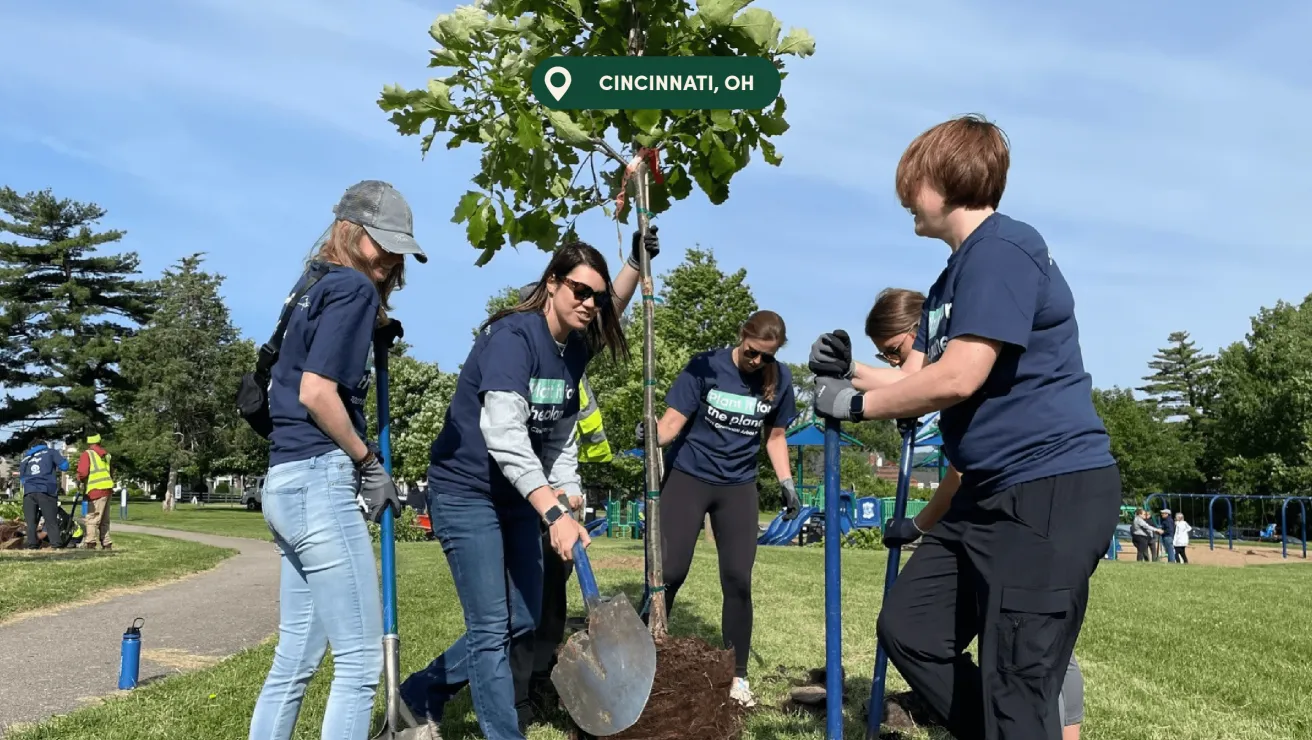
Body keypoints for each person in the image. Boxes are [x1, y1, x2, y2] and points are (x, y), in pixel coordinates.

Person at [808, 114, 1121, 739]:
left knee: (1018, 681)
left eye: (911, 182)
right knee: (912, 631)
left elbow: (959, 377)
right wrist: (850, 376)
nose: (904, 198)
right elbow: (917, 384)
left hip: (1048, 487)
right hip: (985, 492)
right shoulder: (950, 278)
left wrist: (856, 407)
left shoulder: (1004, 248)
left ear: (942, 179)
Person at [401, 234, 651, 740]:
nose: (589, 304)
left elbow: (559, 434)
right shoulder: (513, 338)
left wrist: (566, 491)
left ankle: (422, 690)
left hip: (516, 497)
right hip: (466, 491)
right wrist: (552, 514)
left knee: (522, 620)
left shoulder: (572, 352)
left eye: (596, 298)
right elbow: (505, 435)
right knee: (493, 629)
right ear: (553, 283)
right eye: (579, 291)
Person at [854, 287, 1087, 739]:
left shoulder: (971, 358)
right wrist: (849, 371)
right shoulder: (941, 361)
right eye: (885, 357)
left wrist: (917, 525)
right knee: (995, 637)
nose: (894, 365)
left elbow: (958, 470)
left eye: (894, 351)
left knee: (1028, 642)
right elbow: (912, 386)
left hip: (1033, 494)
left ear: (920, 331)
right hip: (984, 506)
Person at [247, 179, 423, 740]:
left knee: (294, 660)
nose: (392, 257)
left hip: (283, 482)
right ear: (350, 231)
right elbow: (317, 391)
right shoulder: (353, 289)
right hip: (321, 480)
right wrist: (369, 462)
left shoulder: (312, 282)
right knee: (360, 666)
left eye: (399, 247)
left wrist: (371, 329)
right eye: (382, 243)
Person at [639, 309, 801, 707]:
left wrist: (787, 484)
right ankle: (640, 658)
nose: (758, 362)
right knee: (669, 571)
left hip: (738, 486)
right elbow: (672, 423)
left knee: (738, 580)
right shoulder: (704, 366)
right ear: (740, 337)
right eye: (752, 353)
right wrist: (651, 434)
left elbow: (775, 437)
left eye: (767, 356)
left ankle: (737, 677)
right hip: (689, 476)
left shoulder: (779, 379)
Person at [506, 279, 623, 729]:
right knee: (521, 599)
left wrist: (569, 491)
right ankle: (515, 692)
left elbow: (566, 438)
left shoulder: (571, 370)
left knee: (554, 591)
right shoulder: (514, 359)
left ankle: (541, 679)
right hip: (517, 495)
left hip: (559, 492)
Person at [19, 440, 69, 550]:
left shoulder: (25, 458)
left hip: (29, 492)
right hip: (46, 490)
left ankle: (32, 545)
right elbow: (65, 466)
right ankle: (56, 544)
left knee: (31, 521)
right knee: (51, 519)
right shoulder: (51, 452)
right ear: (44, 445)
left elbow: (22, 479)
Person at [76, 434, 115, 550]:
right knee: (104, 519)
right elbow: (111, 472)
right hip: (107, 488)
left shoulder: (87, 454)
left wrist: (79, 479)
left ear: (89, 443)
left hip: (95, 489)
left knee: (92, 517)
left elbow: (83, 472)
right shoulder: (106, 455)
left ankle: (90, 542)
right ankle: (106, 542)